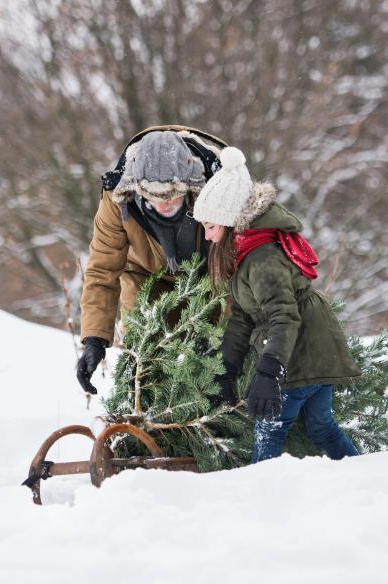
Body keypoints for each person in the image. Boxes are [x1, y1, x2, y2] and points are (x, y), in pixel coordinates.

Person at [192, 146, 363, 464]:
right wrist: (227, 372)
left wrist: (269, 373)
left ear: (230, 222)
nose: (208, 237)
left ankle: (260, 498)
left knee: (269, 431)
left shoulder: (262, 259)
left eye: (211, 227)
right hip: (314, 347)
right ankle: (363, 474)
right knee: (322, 428)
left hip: (301, 352)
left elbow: (283, 317)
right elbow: (244, 315)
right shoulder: (247, 251)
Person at [76, 125, 228, 394]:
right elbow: (102, 269)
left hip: (211, 278)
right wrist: (94, 339)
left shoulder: (221, 191)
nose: (165, 204)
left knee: (215, 365)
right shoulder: (117, 200)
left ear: (190, 184)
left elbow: (241, 265)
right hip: (146, 278)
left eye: (173, 194)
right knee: (146, 364)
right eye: (154, 196)